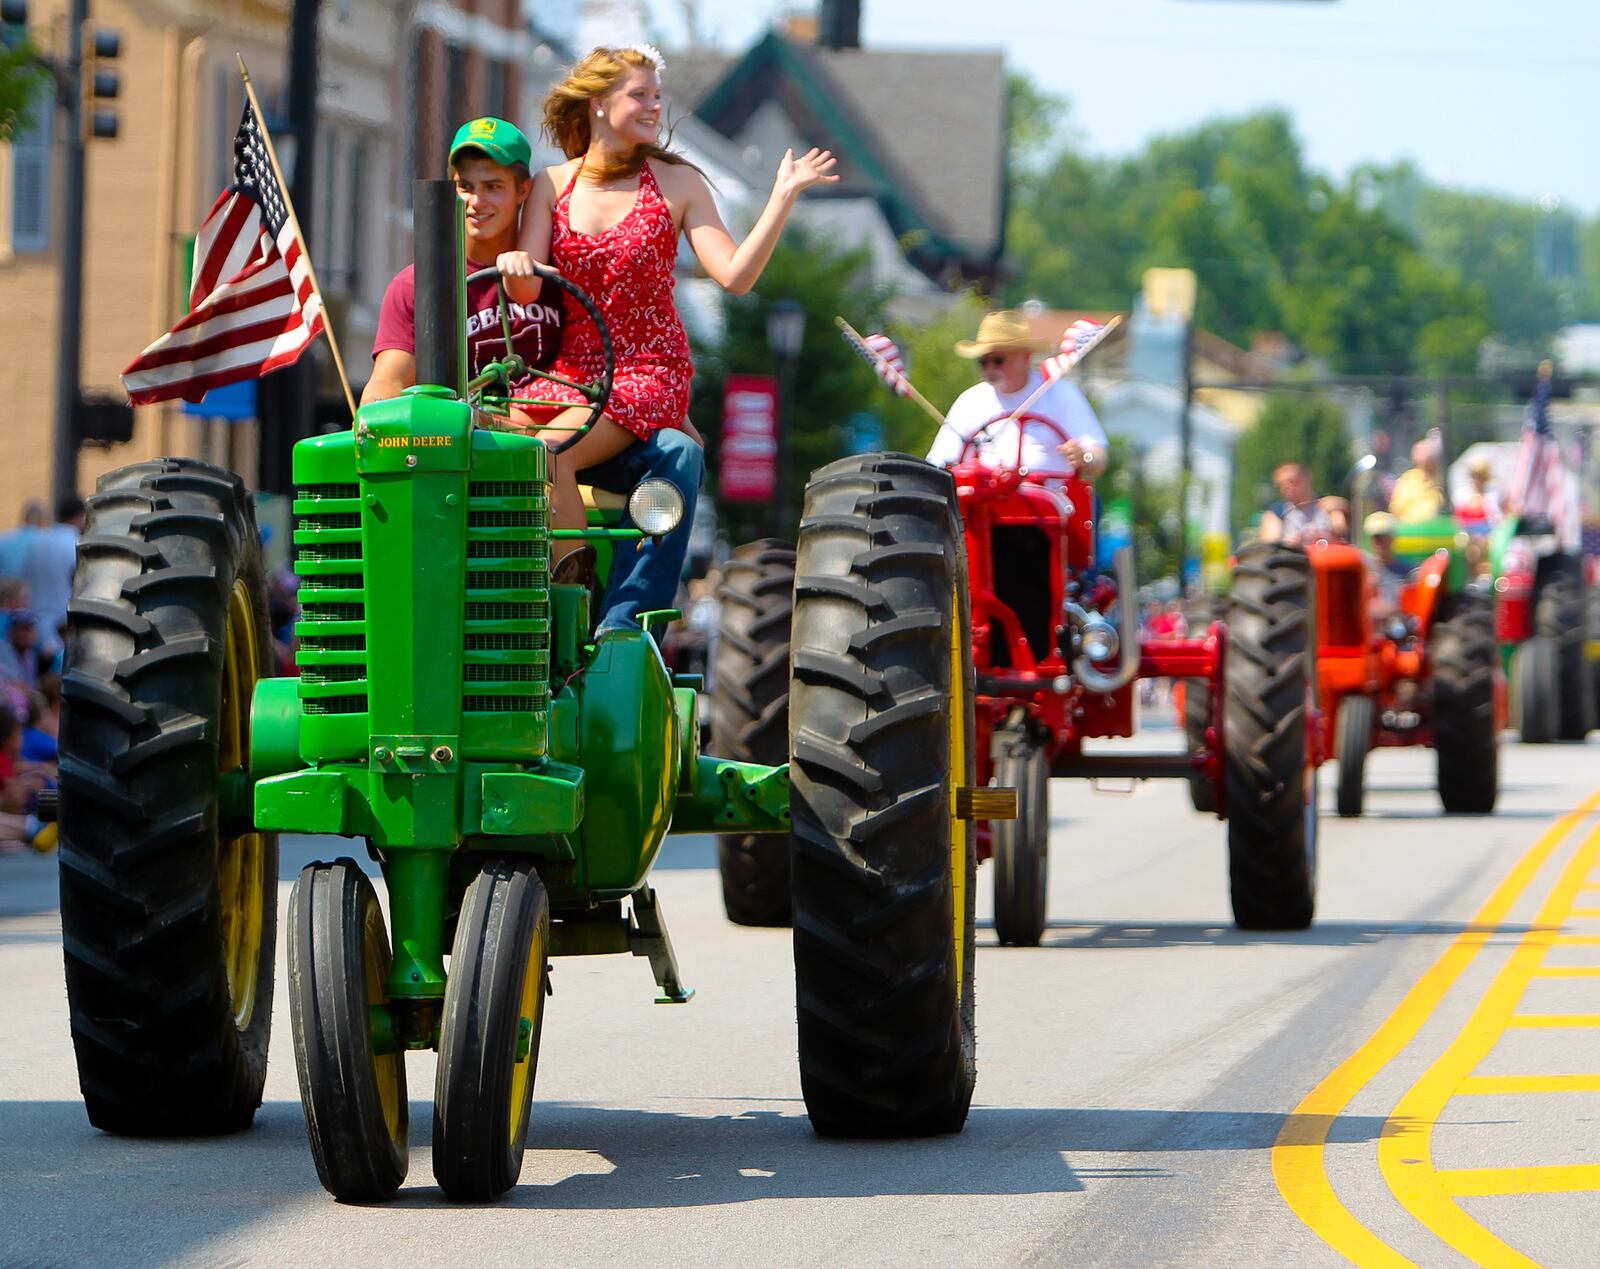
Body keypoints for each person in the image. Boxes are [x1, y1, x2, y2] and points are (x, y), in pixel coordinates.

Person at [497, 44, 838, 618]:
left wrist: (782, 197)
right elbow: (527, 291)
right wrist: (515, 267)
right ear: (599, 104)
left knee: (550, 453)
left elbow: (733, 276)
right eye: (640, 95)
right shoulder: (551, 184)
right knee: (489, 430)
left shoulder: (678, 183)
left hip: (644, 373)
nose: (655, 106)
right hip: (569, 376)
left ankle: (572, 609)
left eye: (657, 95)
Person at [366, 118, 563, 410]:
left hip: (553, 437)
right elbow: (389, 380)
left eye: (493, 186)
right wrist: (373, 414)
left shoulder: (556, 274)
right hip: (460, 444)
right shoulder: (415, 285)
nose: (476, 201)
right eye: (465, 186)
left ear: (523, 190)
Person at [925, 310, 1108, 484]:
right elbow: (940, 462)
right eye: (983, 361)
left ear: (1026, 357)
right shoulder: (970, 401)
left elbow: (1098, 456)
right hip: (983, 506)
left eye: (998, 360)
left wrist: (1085, 457)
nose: (989, 368)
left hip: (1052, 508)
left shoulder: (1060, 394)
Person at [18, 494, 83, 657]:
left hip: (35, 627)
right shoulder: (76, 543)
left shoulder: (38, 542)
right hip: (62, 626)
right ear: (81, 517)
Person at [1259, 461, 1348, 545]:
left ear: (1307, 477)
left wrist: (1345, 508)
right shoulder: (1277, 513)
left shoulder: (1329, 506)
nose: (1289, 488)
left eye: (1294, 482)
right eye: (1283, 485)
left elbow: (1342, 533)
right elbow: (1270, 545)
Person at [1388, 435, 1446, 521]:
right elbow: (1396, 507)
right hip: (1410, 529)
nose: (1422, 458)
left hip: (1435, 529)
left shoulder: (1440, 480)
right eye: (1419, 454)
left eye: (1425, 453)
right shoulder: (1407, 479)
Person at [0, 501, 45, 581]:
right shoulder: (44, 542)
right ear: (41, 519)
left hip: (5, 589)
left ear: (25, 518)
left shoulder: (4, 540)